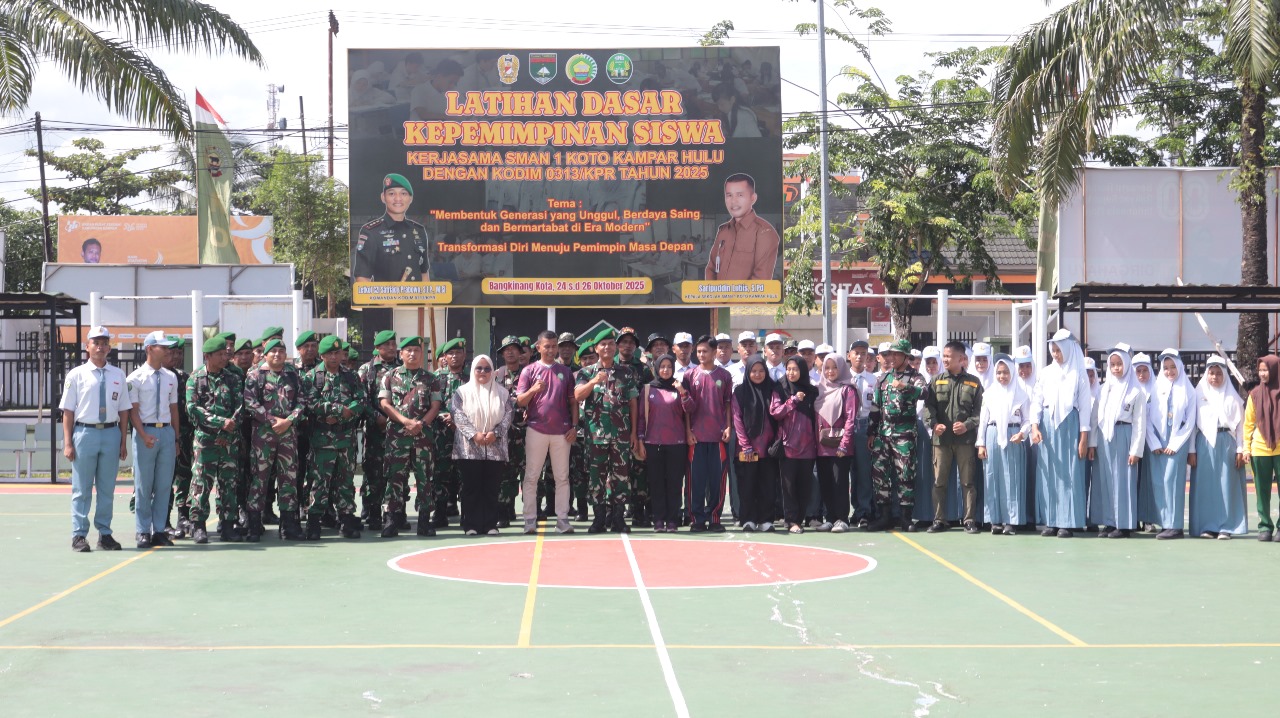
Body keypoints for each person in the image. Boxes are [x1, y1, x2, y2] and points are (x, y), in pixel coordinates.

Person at [60, 326, 130, 552]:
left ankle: (105, 533)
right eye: (95, 342)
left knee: (107, 488)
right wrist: (68, 442)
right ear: (87, 346)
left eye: (104, 342)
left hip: (110, 432)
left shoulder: (118, 374)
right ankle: (79, 535)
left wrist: (122, 441)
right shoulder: (77, 374)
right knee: (81, 488)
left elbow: (124, 410)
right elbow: (68, 411)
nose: (100, 346)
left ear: (109, 347)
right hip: (85, 432)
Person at [302, 335, 369, 540]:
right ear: (321, 355)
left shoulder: (351, 376)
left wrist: (348, 413)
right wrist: (340, 410)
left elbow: (362, 399)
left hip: (346, 439)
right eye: (329, 353)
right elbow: (310, 403)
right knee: (319, 482)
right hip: (322, 440)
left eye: (337, 352)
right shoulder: (312, 377)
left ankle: (347, 521)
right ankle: (314, 522)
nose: (333, 356)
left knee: (346, 482)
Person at [574, 329, 641, 534]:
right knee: (596, 478)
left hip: (620, 434)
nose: (607, 347)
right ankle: (599, 519)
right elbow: (578, 396)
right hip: (596, 435)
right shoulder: (586, 372)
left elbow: (633, 403)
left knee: (621, 477)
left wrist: (634, 433)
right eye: (603, 344)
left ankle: (618, 518)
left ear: (615, 347)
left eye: (611, 344)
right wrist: (594, 382)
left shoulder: (626, 372)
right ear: (597, 348)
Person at [1029, 329, 1092, 538]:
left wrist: (1084, 438)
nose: (1056, 354)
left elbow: (1084, 407)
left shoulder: (1078, 372)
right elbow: (1037, 400)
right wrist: (1035, 426)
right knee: (1049, 472)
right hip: (1048, 424)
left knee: (1069, 473)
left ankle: (1067, 521)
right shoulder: (1047, 372)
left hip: (1070, 424)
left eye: (1059, 350)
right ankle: (1051, 520)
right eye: (1053, 350)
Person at [378, 336, 441, 537]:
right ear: (401, 354)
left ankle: (424, 520)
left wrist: (421, 424)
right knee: (395, 478)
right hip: (397, 436)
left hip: (422, 436)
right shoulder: (389, 376)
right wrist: (405, 421)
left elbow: (435, 406)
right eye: (408, 350)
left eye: (416, 350)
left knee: (425, 478)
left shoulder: (431, 379)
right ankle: (392, 519)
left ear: (422, 354)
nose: (413, 354)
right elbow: (385, 404)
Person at [243, 340, 305, 541]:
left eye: (281, 351)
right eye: (273, 351)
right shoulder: (255, 375)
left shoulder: (293, 374)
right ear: (265, 355)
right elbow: (250, 403)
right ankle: (254, 524)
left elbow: (302, 402)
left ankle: (288, 525)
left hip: (288, 435)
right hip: (263, 435)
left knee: (288, 479)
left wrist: (289, 420)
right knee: (258, 479)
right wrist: (271, 420)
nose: (277, 355)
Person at [517, 331, 579, 534]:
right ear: (539, 347)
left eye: (554, 346)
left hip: (562, 432)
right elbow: (520, 401)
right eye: (547, 346)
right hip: (536, 429)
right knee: (532, 476)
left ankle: (562, 520)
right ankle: (529, 520)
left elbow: (573, 401)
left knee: (562, 477)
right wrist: (534, 389)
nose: (551, 350)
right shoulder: (528, 371)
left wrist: (574, 426)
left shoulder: (566, 372)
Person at [185, 335, 243, 544]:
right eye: (219, 354)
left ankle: (227, 525)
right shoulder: (196, 378)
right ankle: (198, 525)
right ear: (207, 356)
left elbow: (240, 407)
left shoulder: (233, 378)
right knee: (201, 482)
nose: (224, 357)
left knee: (228, 482)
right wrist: (220, 423)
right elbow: (193, 408)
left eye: (224, 354)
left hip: (228, 441)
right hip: (205, 440)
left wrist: (227, 431)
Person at [125, 331, 179, 549]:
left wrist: (176, 438)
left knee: (165, 484)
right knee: (143, 485)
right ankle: (142, 530)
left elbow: (173, 408)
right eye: (163, 347)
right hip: (145, 431)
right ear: (149, 349)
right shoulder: (135, 378)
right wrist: (143, 434)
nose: (168, 351)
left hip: (165, 432)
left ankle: (159, 530)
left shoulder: (170, 377)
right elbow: (133, 411)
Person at [867, 339, 928, 531]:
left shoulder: (914, 377)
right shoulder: (883, 379)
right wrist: (871, 431)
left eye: (896, 354)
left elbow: (925, 393)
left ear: (906, 357)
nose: (892, 358)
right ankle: (884, 516)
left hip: (905, 433)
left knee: (905, 475)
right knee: (880, 475)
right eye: (890, 354)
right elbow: (875, 407)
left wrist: (905, 387)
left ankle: (905, 518)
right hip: (883, 433)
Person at [924, 340, 984, 534]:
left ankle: (969, 520)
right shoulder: (935, 380)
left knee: (968, 482)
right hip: (941, 441)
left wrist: (967, 425)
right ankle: (939, 519)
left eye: (949, 356)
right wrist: (934, 424)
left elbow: (980, 411)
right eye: (944, 356)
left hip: (965, 441)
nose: (945, 359)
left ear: (962, 359)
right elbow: (929, 407)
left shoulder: (974, 382)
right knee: (939, 481)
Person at [450, 354, 513, 536]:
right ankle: (470, 525)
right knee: (471, 488)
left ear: (493, 371)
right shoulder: (462, 392)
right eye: (479, 368)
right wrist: (474, 434)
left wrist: (496, 433)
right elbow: (457, 414)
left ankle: (490, 524)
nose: (483, 372)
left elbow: (508, 415)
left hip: (495, 447)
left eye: (487, 369)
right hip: (469, 448)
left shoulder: (502, 393)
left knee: (491, 488)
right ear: (473, 370)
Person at [1087, 348, 1147, 538]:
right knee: (1105, 480)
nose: (1115, 368)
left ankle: (1124, 524)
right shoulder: (1104, 389)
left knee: (1123, 480)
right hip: (1105, 438)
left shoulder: (1136, 391)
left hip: (1124, 435)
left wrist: (1136, 449)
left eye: (1119, 364)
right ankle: (1110, 522)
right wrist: (1092, 443)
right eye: (1112, 365)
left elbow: (1139, 423)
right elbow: (1096, 419)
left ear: (1127, 365)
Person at [1189, 356, 1247, 539]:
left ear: (1224, 375)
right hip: (1204, 443)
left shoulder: (1233, 397)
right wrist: (1192, 450)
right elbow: (1192, 426)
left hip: (1226, 443)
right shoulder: (1198, 395)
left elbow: (1241, 427)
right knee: (1206, 486)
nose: (1214, 377)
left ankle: (1226, 527)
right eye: (1211, 373)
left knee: (1226, 485)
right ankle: (1208, 526)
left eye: (1218, 374)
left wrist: (1240, 449)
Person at [636, 354, 694, 532]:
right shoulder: (648, 389)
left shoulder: (679, 388)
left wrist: (683, 392)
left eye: (669, 366)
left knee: (675, 484)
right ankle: (659, 520)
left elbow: (690, 409)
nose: (666, 370)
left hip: (677, 444)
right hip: (653, 443)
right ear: (656, 368)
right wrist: (640, 440)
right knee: (656, 484)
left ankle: (672, 520)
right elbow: (641, 418)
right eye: (662, 366)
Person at [683, 335, 734, 532]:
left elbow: (728, 404)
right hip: (696, 438)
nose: (701, 355)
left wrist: (728, 426)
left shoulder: (724, 376)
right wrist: (688, 431)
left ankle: (714, 518)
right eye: (699, 352)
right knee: (695, 481)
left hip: (718, 437)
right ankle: (696, 519)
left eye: (705, 351)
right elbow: (685, 408)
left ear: (714, 352)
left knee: (717, 480)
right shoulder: (690, 375)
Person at [1145, 349, 1197, 540]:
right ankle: (1165, 523)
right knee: (1159, 482)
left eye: (1173, 366)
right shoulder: (1156, 388)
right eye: (1166, 368)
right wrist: (1154, 442)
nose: (1169, 371)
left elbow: (1190, 422)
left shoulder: (1188, 390)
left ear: (1180, 366)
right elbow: (1147, 418)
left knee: (1172, 482)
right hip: (1158, 442)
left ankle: (1175, 526)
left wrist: (1175, 444)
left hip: (1177, 442)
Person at [977, 355, 1030, 535]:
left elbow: (1028, 420)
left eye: (1006, 372)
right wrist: (981, 444)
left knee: (1011, 478)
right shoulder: (989, 393)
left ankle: (1011, 520)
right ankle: (995, 520)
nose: (1002, 376)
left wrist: (1022, 433)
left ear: (1012, 372)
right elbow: (983, 421)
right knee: (992, 477)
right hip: (992, 435)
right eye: (999, 373)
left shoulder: (1020, 394)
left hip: (1013, 434)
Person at [358, 330, 400, 530]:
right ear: (377, 348)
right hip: (376, 430)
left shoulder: (401, 369)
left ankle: (394, 513)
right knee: (374, 472)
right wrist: (376, 417)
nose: (392, 348)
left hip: (398, 430)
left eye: (393, 344)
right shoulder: (367, 370)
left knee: (397, 472)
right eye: (387, 344)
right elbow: (361, 399)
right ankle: (373, 513)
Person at [770, 356, 817, 534]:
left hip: (808, 447)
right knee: (788, 487)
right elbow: (775, 412)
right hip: (788, 446)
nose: (791, 372)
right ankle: (790, 521)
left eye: (795, 369)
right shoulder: (779, 389)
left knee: (804, 486)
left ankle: (800, 519)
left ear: (803, 371)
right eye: (788, 368)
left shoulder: (812, 391)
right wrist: (793, 401)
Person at [354, 173, 430, 283]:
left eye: (403, 193)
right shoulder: (371, 232)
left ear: (410, 198)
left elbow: (424, 273)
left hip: (417, 300)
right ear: (383, 197)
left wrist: (428, 300)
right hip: (384, 300)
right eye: (391, 193)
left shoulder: (419, 230)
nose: (398, 198)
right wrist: (384, 299)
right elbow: (362, 278)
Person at [704, 173, 780, 281]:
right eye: (729, 195)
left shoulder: (764, 233)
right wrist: (713, 296)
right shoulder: (723, 231)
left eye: (740, 195)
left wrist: (726, 298)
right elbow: (711, 268)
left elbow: (759, 282)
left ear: (753, 198)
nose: (733, 201)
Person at [733, 357, 779, 532]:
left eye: (761, 371)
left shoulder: (773, 388)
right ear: (748, 372)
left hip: (768, 448)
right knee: (747, 485)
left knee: (767, 486)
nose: (757, 374)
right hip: (746, 449)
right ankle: (748, 519)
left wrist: (775, 442)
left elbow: (778, 415)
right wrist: (746, 445)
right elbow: (737, 418)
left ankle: (766, 520)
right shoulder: (740, 391)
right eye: (753, 371)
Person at [814, 354, 858, 532]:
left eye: (834, 368)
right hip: (822, 445)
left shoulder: (848, 390)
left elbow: (850, 419)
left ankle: (842, 518)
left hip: (840, 446)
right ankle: (830, 518)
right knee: (825, 482)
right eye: (827, 368)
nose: (830, 372)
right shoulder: (819, 389)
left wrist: (844, 444)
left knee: (840, 482)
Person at [432, 338, 468, 527]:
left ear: (464, 355)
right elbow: (428, 405)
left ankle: (466, 514)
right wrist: (444, 415)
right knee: (441, 473)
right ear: (445, 357)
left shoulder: (473, 377)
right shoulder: (436, 378)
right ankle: (440, 512)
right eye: (451, 353)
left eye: (458, 353)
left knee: (465, 474)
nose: (455, 356)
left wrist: (459, 420)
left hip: (466, 435)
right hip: (441, 434)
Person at [1245, 355, 1280, 541]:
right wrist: (1246, 448)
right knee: (1262, 491)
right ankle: (1265, 527)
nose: (1263, 373)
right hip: (1260, 449)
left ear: (1274, 370)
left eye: (1266, 370)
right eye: (1260, 370)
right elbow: (1248, 424)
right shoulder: (1255, 394)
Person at [494, 335, 527, 528]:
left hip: (526, 431)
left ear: (520, 352)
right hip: (504, 432)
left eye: (514, 348)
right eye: (506, 349)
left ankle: (532, 511)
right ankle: (504, 511)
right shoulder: (496, 375)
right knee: (505, 474)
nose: (510, 352)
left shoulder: (529, 373)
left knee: (529, 473)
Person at [164, 337, 194, 538]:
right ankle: (162, 519)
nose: (176, 357)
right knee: (164, 479)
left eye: (179, 353)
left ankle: (183, 516)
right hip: (162, 434)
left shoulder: (184, 377)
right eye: (172, 352)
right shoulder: (156, 377)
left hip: (184, 435)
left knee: (185, 477)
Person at [846, 341, 878, 528]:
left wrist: (872, 431)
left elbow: (875, 407)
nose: (859, 356)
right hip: (846, 427)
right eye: (856, 353)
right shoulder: (843, 378)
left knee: (864, 471)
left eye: (863, 353)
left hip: (865, 425)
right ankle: (852, 510)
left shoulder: (873, 380)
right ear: (849, 355)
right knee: (848, 471)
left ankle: (864, 511)